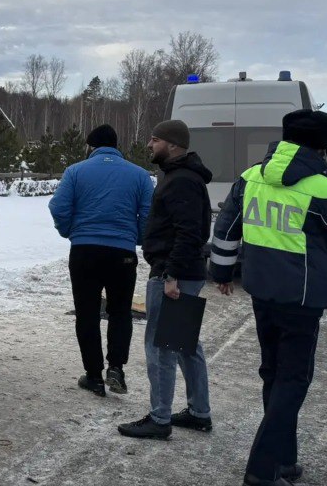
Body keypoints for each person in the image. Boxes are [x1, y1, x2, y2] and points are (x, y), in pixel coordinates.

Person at [209, 109, 327, 486]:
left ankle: (283, 457)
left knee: (273, 373)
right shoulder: (324, 188)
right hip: (301, 298)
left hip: (261, 291)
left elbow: (226, 226)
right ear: (325, 146)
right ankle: (262, 470)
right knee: (293, 380)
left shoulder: (251, 176)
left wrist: (221, 272)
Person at [119, 120, 214, 441]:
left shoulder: (182, 181)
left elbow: (189, 233)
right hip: (183, 272)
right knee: (186, 345)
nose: (149, 144)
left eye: (155, 139)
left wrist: (170, 274)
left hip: (174, 275)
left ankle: (160, 418)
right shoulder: (179, 177)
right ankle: (199, 412)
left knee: (162, 348)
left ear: (172, 145)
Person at [48, 124, 153, 396]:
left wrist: (71, 231)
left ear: (90, 146)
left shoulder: (75, 171)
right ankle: (116, 367)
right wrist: (134, 238)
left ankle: (93, 375)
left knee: (87, 313)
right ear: (117, 146)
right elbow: (150, 215)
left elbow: (58, 207)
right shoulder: (140, 176)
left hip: (85, 251)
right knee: (120, 311)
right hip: (122, 253)